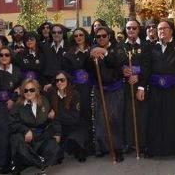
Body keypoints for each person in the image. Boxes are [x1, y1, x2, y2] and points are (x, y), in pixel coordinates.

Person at [146, 19, 175, 157]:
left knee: (174, 119)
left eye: (164, 28)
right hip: (156, 91)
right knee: (156, 119)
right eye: (159, 29)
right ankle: (155, 150)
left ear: (171, 30)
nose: (161, 31)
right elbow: (147, 69)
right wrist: (142, 87)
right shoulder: (152, 47)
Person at [88, 26, 125, 162]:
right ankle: (102, 147)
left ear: (109, 36)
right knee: (100, 119)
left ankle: (117, 148)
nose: (101, 38)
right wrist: (90, 57)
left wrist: (105, 52)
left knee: (114, 119)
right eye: (98, 37)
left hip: (115, 88)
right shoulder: (92, 49)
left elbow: (118, 63)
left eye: (104, 36)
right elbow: (87, 68)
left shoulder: (118, 47)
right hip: (100, 88)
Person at [9, 78, 58, 174]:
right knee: (16, 139)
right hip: (26, 138)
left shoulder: (44, 101)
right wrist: (26, 130)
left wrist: (57, 131)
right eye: (25, 90)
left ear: (36, 90)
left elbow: (51, 117)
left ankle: (40, 164)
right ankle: (39, 163)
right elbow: (11, 122)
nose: (28, 93)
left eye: (31, 90)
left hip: (41, 135)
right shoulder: (18, 105)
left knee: (54, 147)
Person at [0, 47, 23, 173]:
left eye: (7, 55)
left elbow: (21, 87)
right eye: (1, 55)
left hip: (12, 105)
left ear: (11, 56)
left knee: (11, 132)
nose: (4, 57)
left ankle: (13, 161)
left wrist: (13, 99)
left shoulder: (17, 71)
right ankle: (0, 160)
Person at [121, 19, 150, 156]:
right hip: (125, 86)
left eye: (134, 28)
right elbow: (116, 63)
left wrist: (140, 81)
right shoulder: (121, 46)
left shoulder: (145, 46)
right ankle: (128, 142)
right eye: (128, 28)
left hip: (140, 86)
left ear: (139, 30)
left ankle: (142, 143)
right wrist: (122, 70)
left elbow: (148, 66)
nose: (131, 30)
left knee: (141, 115)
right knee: (127, 115)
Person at [48, 70, 90, 163]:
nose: (59, 82)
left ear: (67, 80)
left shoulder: (75, 94)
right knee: (54, 156)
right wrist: (57, 132)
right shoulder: (51, 94)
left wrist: (56, 116)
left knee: (77, 141)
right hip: (60, 126)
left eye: (62, 80)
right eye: (57, 80)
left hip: (75, 126)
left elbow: (73, 118)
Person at [63, 27, 93, 133]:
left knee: (91, 114)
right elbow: (66, 73)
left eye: (81, 35)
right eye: (76, 36)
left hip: (92, 88)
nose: (79, 37)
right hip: (76, 89)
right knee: (79, 113)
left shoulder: (92, 50)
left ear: (85, 36)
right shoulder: (69, 54)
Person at [42, 24, 71, 91]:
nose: (56, 34)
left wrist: (54, 83)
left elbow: (70, 68)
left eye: (59, 32)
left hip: (64, 83)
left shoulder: (70, 47)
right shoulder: (45, 47)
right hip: (47, 84)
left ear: (63, 33)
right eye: (54, 32)